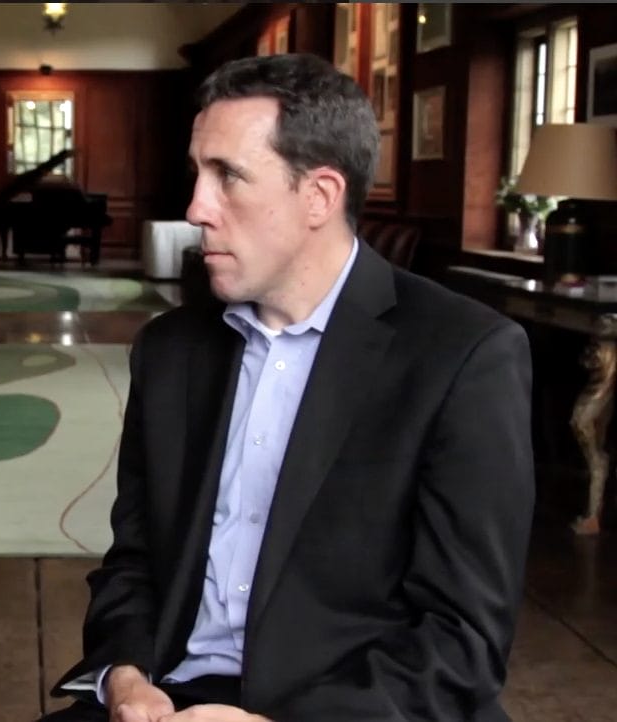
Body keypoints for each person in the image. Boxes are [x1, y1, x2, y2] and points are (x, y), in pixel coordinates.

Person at [44, 53, 534, 721]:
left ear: (320, 196)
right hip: (175, 698)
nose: (196, 208)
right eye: (197, 173)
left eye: (229, 177)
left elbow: (462, 640)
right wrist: (126, 678)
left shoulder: (463, 356)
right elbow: (135, 563)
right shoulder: (171, 350)